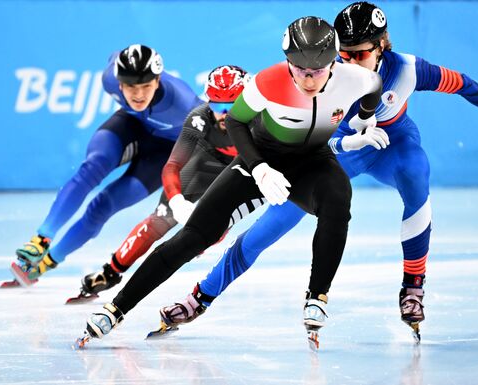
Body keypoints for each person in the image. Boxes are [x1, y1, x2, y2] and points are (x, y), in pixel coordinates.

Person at [156, 2, 478, 341]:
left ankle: (413, 287)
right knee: (268, 229)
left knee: (417, 176)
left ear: (383, 46)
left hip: (392, 145)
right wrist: (343, 144)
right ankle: (200, 296)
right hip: (334, 153)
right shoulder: (318, 78)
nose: (348, 62)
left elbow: (463, 84)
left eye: (359, 53)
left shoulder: (409, 70)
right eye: (343, 54)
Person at [80, 16, 386, 346]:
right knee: (192, 238)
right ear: (287, 61)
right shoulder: (268, 83)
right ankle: (116, 309)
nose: (309, 79)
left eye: (318, 70)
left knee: (339, 202)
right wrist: (259, 169)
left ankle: (317, 296)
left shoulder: (355, 78)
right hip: (261, 160)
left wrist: (364, 120)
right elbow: (237, 125)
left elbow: (374, 87)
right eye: (299, 69)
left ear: (334, 62)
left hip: (313, 162)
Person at [11, 44, 203, 286]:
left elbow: (212, 139)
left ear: (157, 81)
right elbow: (115, 58)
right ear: (119, 83)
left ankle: (47, 262)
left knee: (103, 206)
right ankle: (41, 239)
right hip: (130, 125)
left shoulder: (184, 104)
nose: (139, 95)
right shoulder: (108, 79)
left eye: (146, 86)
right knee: (92, 168)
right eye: (132, 87)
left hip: (164, 153)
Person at [72, 65, 265, 301]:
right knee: (160, 220)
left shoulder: (265, 119)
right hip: (204, 161)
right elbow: (172, 166)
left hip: (243, 167)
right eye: (217, 105)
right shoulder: (199, 118)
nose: (224, 114)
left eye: (232, 105)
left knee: (208, 231)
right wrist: (176, 200)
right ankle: (110, 272)